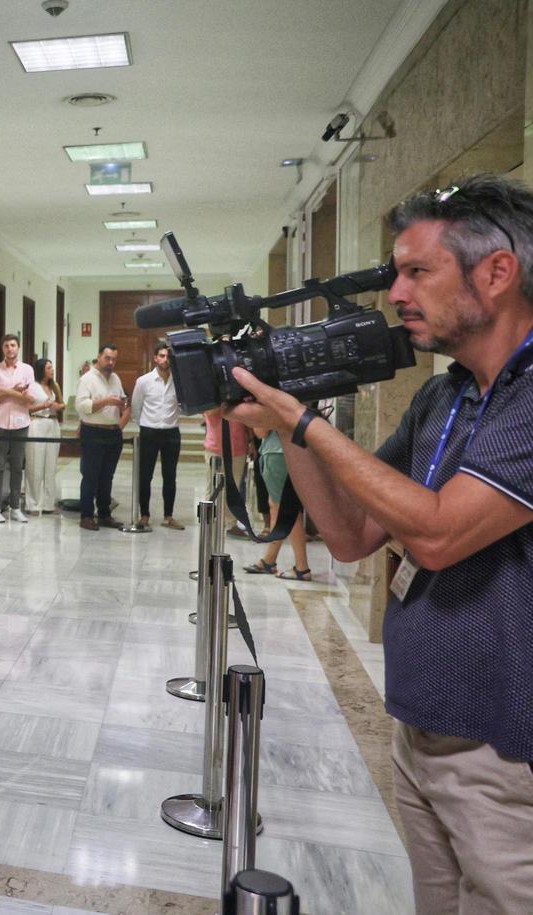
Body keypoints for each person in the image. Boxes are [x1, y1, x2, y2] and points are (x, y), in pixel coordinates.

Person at [226, 174, 533, 913]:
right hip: (422, 727)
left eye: (417, 271)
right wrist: (285, 421)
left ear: (496, 273)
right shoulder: (445, 393)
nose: (396, 292)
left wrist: (305, 425)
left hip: (504, 749)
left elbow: (434, 534)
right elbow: (353, 532)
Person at [129, 341, 184, 531]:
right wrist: (144, 423)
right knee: (145, 475)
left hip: (171, 431)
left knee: (170, 476)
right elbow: (136, 407)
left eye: (168, 356)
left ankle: (169, 516)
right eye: (161, 356)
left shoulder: (179, 380)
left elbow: (182, 405)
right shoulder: (143, 381)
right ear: (155, 358)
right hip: (149, 431)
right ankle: (144, 515)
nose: (165, 359)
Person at [75, 343, 131, 530]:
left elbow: (121, 400)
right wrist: (106, 401)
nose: (111, 362)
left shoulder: (115, 378)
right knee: (90, 476)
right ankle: (86, 516)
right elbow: (82, 406)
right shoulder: (87, 379)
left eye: (114, 359)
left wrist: (122, 404)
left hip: (112, 432)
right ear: (99, 356)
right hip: (93, 431)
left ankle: (105, 514)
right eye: (107, 358)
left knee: (107, 476)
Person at [242, 428, 310, 580]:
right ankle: (269, 560)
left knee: (286, 510)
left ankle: (302, 567)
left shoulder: (273, 403)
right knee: (277, 507)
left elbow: (261, 430)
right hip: (288, 449)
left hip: (277, 451)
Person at [0, 333, 35, 523]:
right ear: (2, 349)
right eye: (6, 346)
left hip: (21, 423)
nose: (10, 349)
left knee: (16, 466)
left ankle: (15, 507)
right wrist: (16, 391)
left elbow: (31, 398)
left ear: (18, 347)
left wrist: (4, 391)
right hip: (0, 423)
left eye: (13, 345)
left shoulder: (27, 369)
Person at [203, 408, 252, 538]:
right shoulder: (210, 390)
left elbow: (248, 416)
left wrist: (251, 440)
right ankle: (209, 520)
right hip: (215, 446)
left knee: (234, 488)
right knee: (213, 487)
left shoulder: (240, 392)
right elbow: (208, 411)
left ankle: (231, 524)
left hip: (239, 446)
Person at [25, 357, 65, 515]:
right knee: (35, 464)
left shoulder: (53, 386)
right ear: (41, 369)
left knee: (50, 465)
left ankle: (48, 503)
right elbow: (27, 408)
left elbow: (62, 404)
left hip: (53, 424)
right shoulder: (32, 387)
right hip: (38, 423)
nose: (52, 370)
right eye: (49, 367)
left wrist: (58, 406)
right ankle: (33, 503)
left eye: (52, 367)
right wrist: (44, 405)